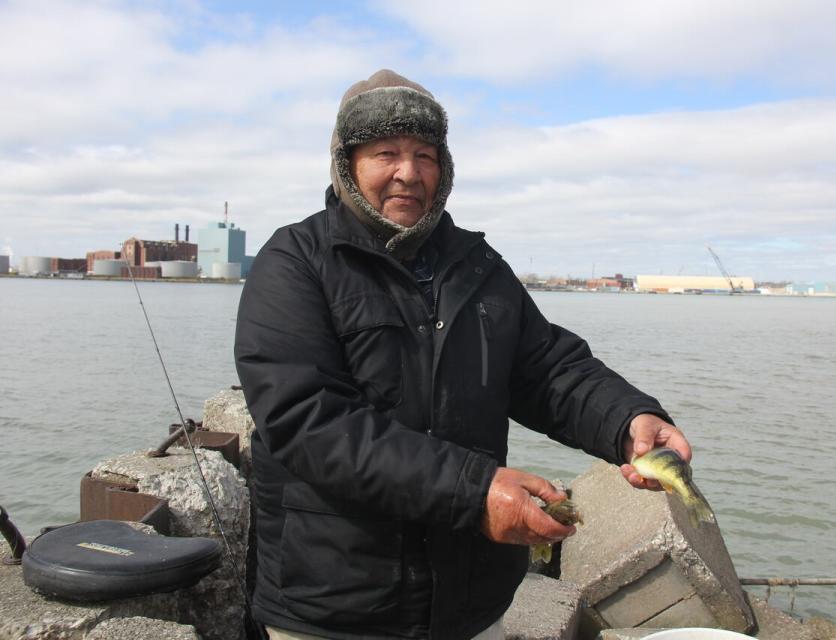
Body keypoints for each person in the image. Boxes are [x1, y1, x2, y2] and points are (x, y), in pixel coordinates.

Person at [235, 69, 691, 640]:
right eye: (386, 153)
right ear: (347, 164)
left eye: (425, 154)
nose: (408, 173)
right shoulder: (295, 261)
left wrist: (627, 418)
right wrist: (477, 491)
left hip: (469, 604)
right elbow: (307, 420)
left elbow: (546, 368)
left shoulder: (479, 264)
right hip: (336, 604)